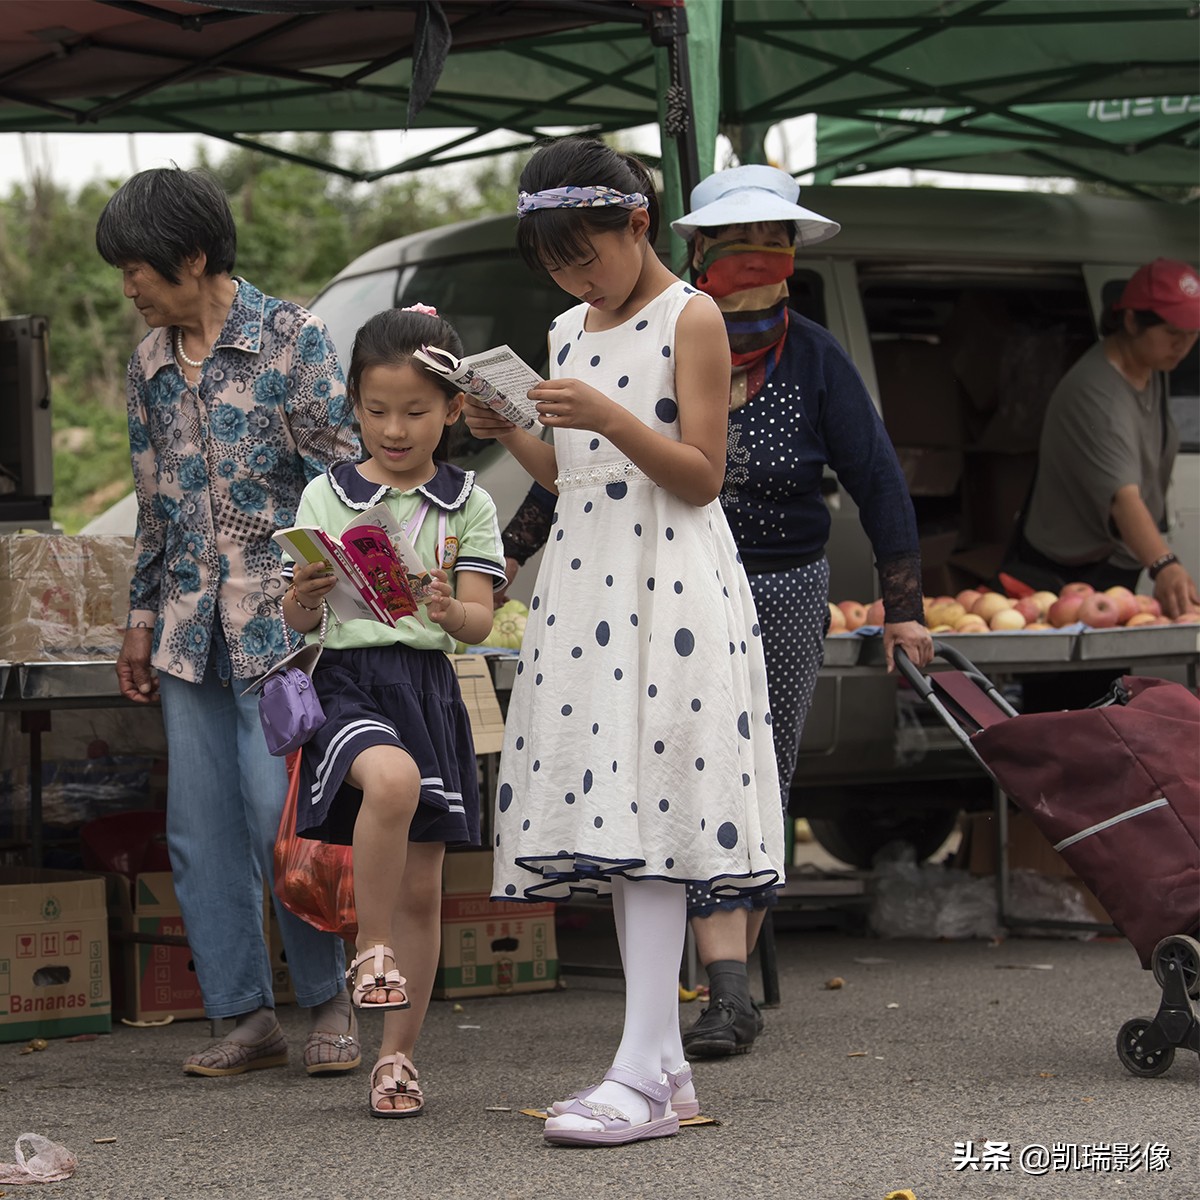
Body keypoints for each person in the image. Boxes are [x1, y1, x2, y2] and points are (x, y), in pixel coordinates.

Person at [498, 162, 935, 1059]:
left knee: (733, 772)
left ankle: (722, 990)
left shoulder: (799, 351)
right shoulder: (578, 328)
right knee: (638, 776)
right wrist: (505, 524)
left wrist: (905, 606)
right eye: (738, 245)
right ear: (702, 247)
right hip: (612, 587)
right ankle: (684, 1012)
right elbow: (575, 476)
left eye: (773, 244)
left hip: (758, 581)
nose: (756, 260)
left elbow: (867, 477)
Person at [465, 135, 784, 1148]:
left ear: (637, 222)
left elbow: (699, 474)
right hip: (585, 581)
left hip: (671, 583)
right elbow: (572, 478)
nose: (576, 281)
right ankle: (663, 1068)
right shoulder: (566, 328)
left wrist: (605, 414)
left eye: (586, 255)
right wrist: (511, 428)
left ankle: (642, 1069)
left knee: (651, 814)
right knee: (614, 815)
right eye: (557, 266)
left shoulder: (694, 317)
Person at [96, 166, 359, 1076]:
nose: (128, 288)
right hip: (185, 631)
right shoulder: (148, 365)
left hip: (282, 632)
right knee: (198, 830)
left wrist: (320, 593)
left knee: (280, 820)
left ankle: (329, 1000)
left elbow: (343, 480)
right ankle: (244, 1016)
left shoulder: (293, 339)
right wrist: (138, 620)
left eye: (137, 268)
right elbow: (153, 505)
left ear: (194, 255)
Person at [283, 305, 506, 1117]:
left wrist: (448, 609)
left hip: (428, 688)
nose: (394, 429)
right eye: (376, 410)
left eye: (415, 411)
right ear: (354, 403)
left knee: (423, 890)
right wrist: (306, 595)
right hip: (346, 680)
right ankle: (370, 949)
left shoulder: (468, 504)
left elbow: (479, 622)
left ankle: (396, 1058)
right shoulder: (326, 492)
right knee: (390, 780)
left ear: (453, 409)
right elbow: (297, 620)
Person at [1014, 258, 1200, 615]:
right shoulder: (1096, 393)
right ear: (1131, 321)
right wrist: (1165, 565)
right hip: (1068, 572)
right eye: (1173, 333)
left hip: (1115, 560)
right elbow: (1123, 499)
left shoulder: (1154, 365)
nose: (1184, 345)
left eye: (1193, 334)